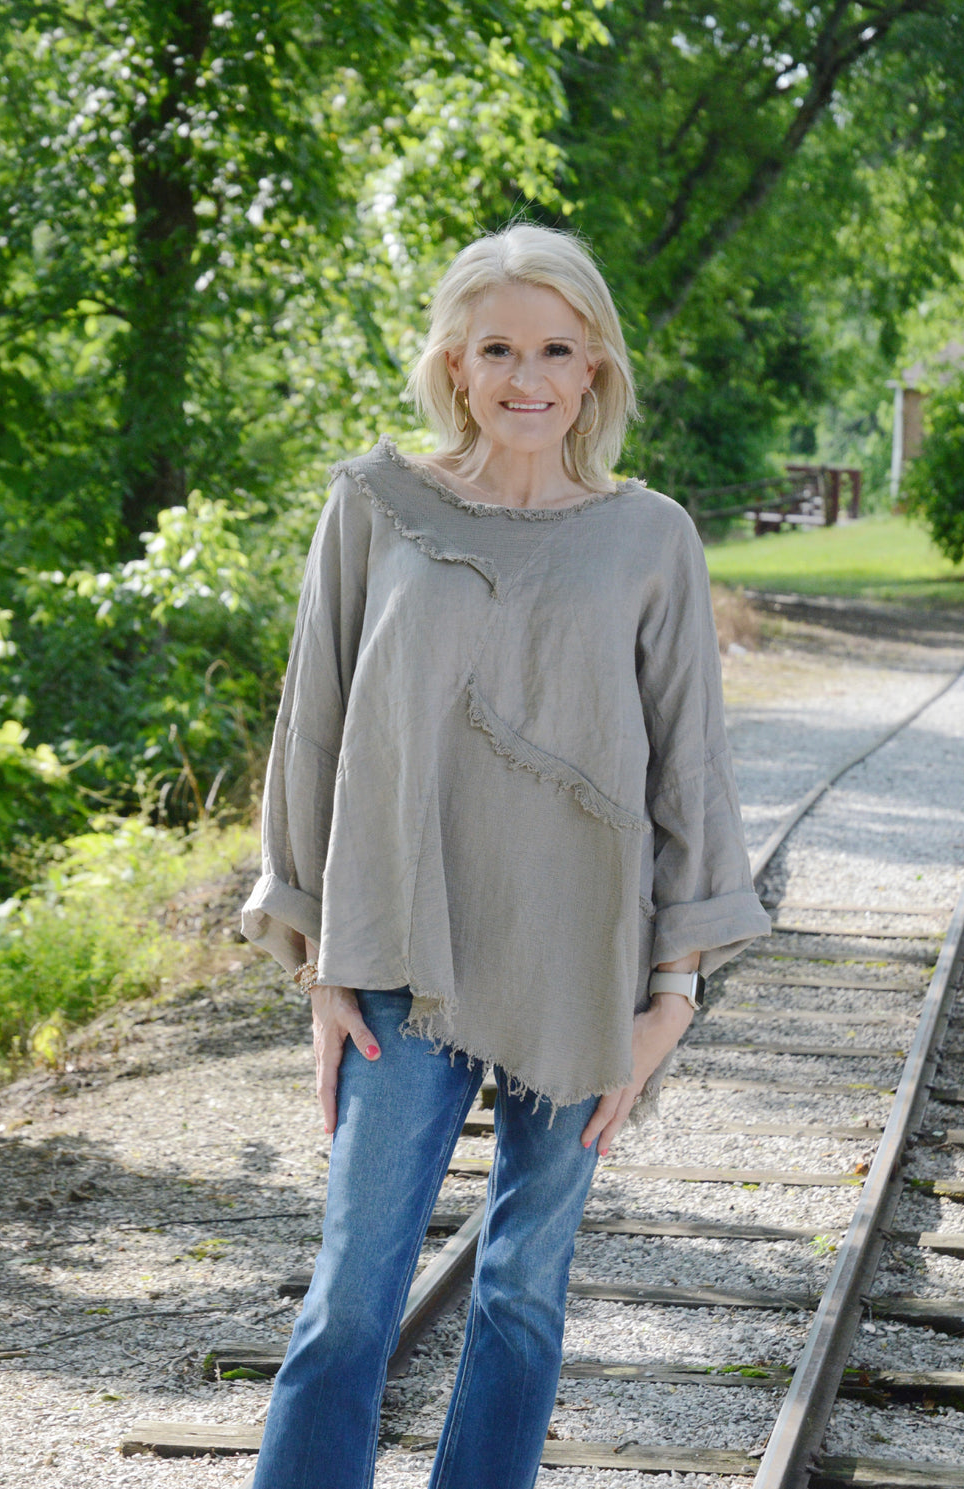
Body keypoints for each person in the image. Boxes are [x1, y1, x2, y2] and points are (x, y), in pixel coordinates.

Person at [238, 223, 770, 1489]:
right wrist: (317, 962)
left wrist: (675, 994)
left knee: (523, 1296)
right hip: (400, 953)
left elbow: (689, 762)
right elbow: (313, 725)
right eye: (495, 349)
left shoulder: (652, 537)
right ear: (453, 365)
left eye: (552, 349)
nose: (524, 376)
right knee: (352, 1301)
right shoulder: (376, 506)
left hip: (583, 968)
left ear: (592, 368)